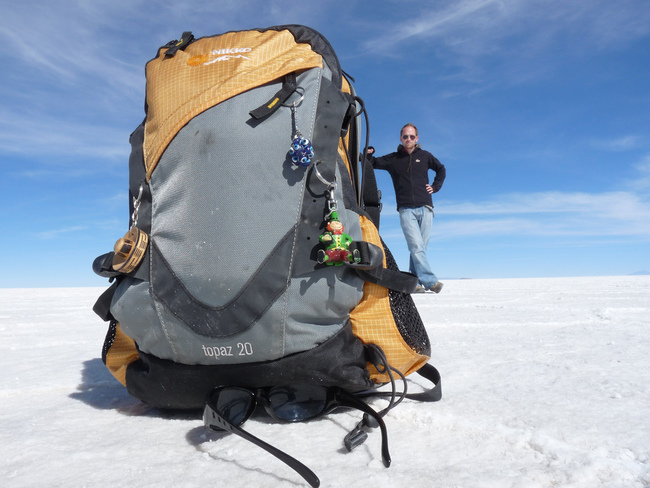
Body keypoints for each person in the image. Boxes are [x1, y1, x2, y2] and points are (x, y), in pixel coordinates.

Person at [367, 123, 446, 293]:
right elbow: (372, 163)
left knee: (419, 248)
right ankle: (430, 281)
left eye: (411, 136)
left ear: (417, 139)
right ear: (401, 139)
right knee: (416, 247)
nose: (408, 139)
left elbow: (441, 169)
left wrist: (436, 186)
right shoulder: (394, 159)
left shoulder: (425, 156)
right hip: (406, 210)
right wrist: (368, 154)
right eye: (405, 136)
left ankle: (414, 282)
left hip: (426, 208)